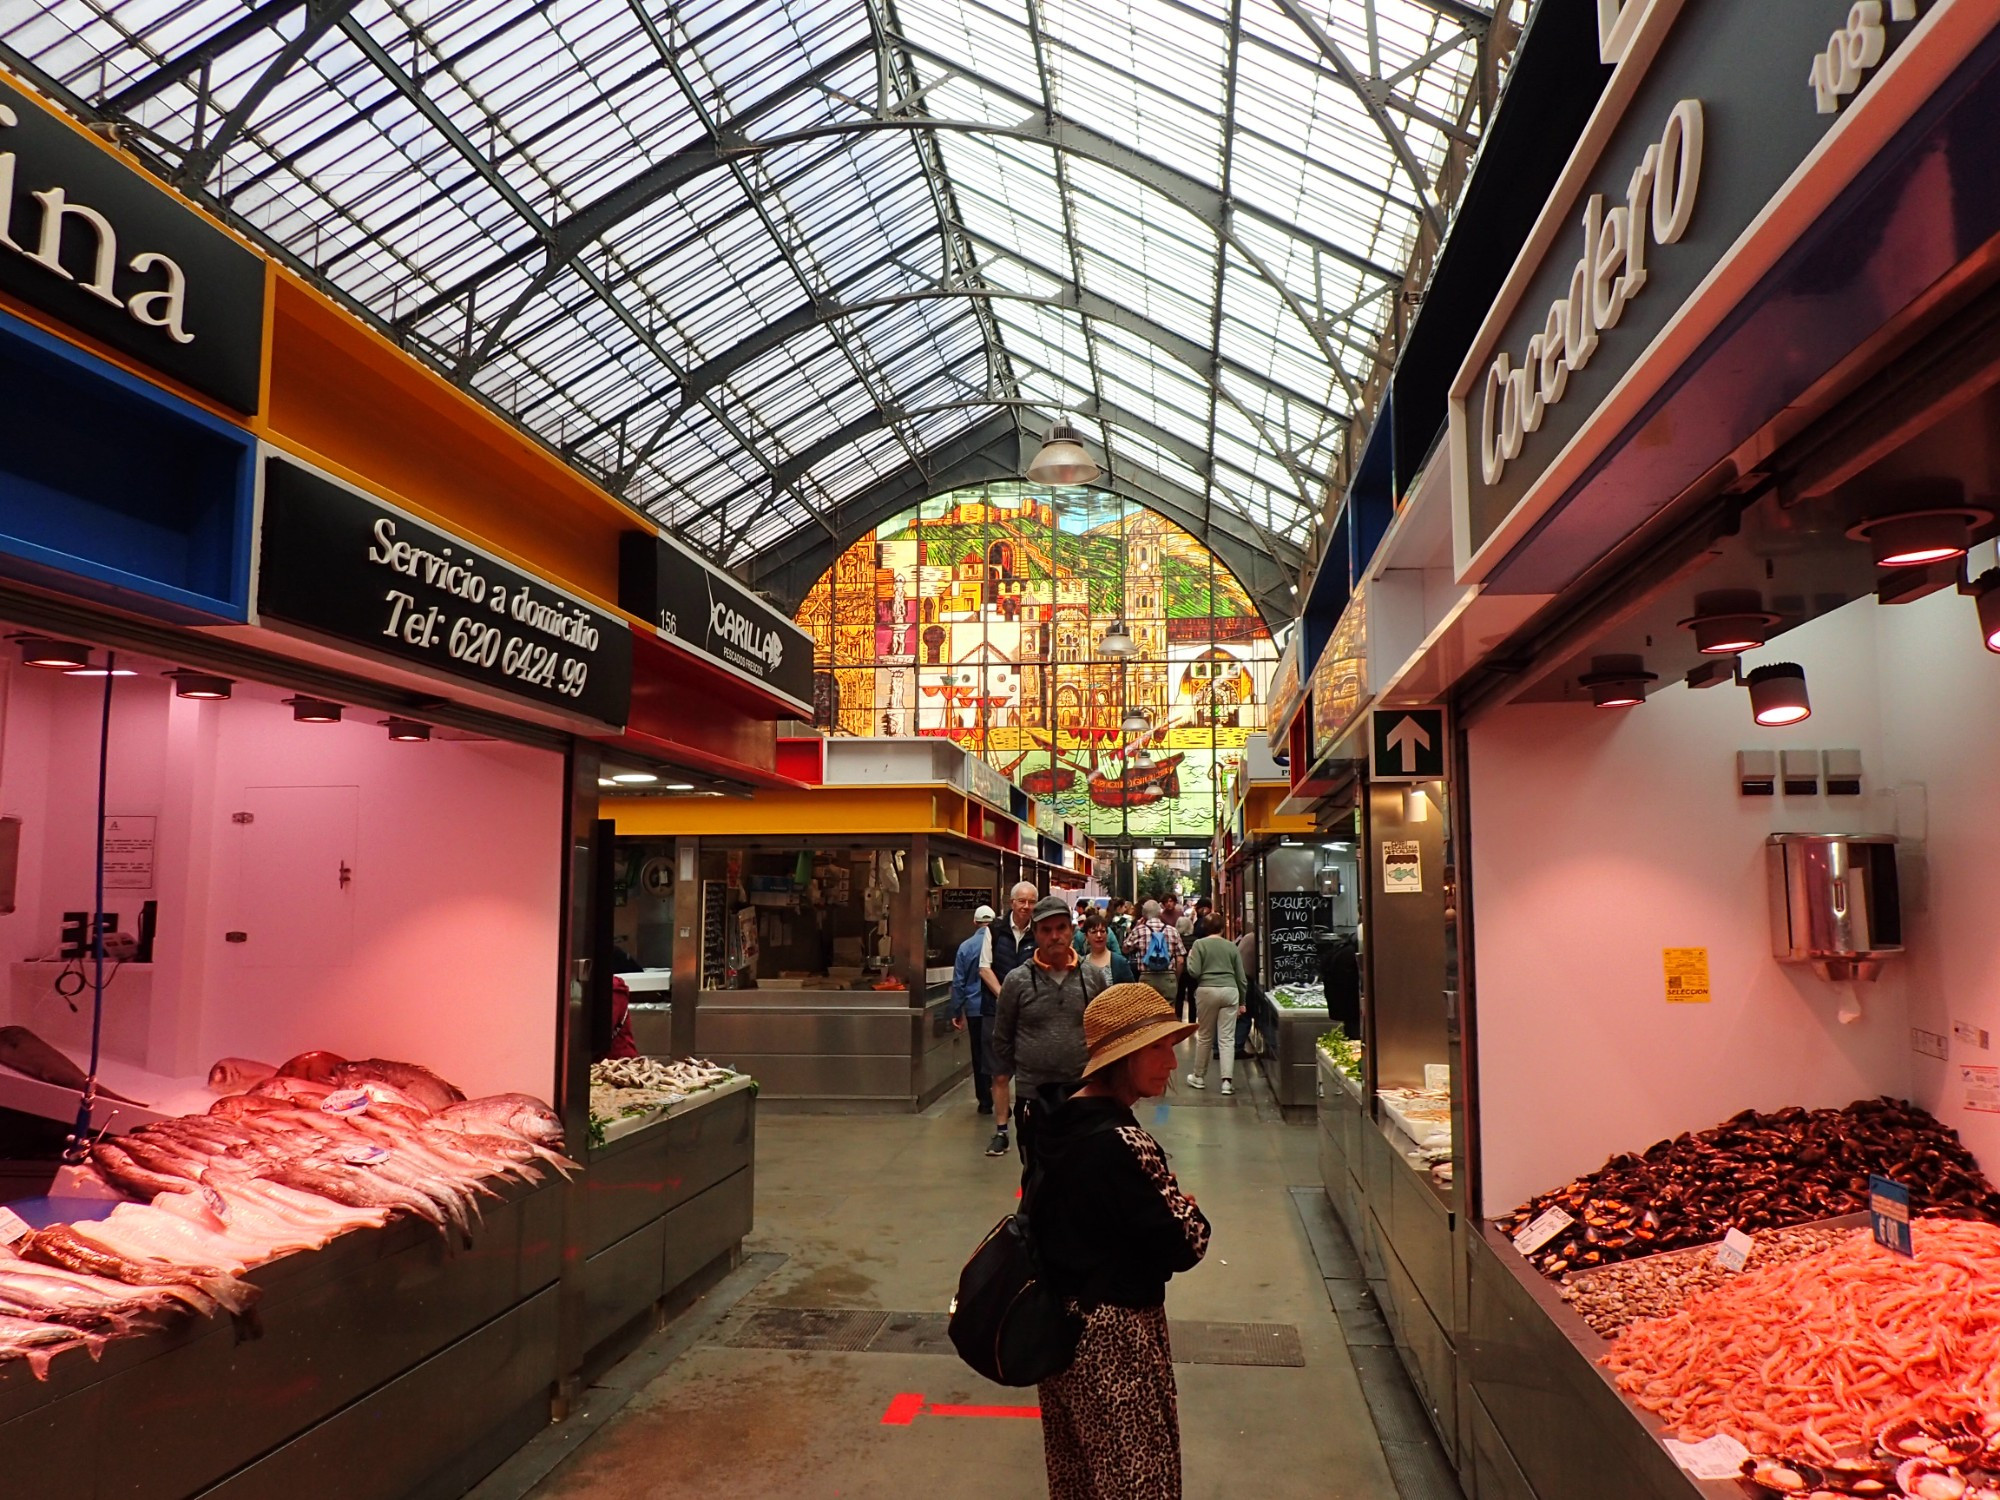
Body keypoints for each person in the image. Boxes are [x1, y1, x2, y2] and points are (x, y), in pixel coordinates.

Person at [1033, 983, 1210, 1499]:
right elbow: (1185, 1244)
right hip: (1117, 1341)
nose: (1171, 1063)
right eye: (1158, 1048)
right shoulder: (1123, 1143)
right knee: (1138, 1481)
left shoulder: (1055, 1122)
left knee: (1079, 1480)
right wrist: (1188, 1208)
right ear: (1124, 1056)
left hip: (1062, 1332)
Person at [990, 894, 1110, 1167]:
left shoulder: (1092, 976)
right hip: (1034, 1096)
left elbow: (1104, 1034)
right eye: (1046, 930)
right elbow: (1002, 1038)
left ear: (1071, 930)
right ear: (1035, 933)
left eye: (1061, 928)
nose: (1054, 936)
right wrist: (1028, 1069)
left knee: (1082, 1169)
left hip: (1082, 1094)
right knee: (1036, 1170)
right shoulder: (1017, 980)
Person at [951, 904, 1003, 1116]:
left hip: (974, 1010)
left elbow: (958, 982)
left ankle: (984, 1101)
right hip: (996, 1008)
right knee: (998, 1053)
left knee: (979, 1054)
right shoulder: (999, 944)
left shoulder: (965, 947)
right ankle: (1000, 1096)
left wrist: (956, 1010)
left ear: (975, 923)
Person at [1183, 925, 1247, 1096]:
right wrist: (1242, 1001)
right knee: (1227, 1038)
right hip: (1230, 990)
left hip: (1207, 990)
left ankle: (1199, 1076)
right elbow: (1241, 977)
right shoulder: (1231, 946)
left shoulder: (1199, 944)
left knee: (1205, 1036)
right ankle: (1226, 1082)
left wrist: (1191, 959)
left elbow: (1194, 971)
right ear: (1222, 930)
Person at [1124, 898, 1184, 1005]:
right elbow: (1180, 960)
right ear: (1159, 913)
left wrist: (1135, 928)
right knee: (1168, 1013)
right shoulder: (1172, 930)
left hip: (1147, 978)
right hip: (1168, 977)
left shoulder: (1139, 930)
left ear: (1144, 915)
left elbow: (1125, 948)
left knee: (1148, 1013)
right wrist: (1175, 978)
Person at [989, 880, 1039, 982]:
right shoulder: (994, 928)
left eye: (1031, 902)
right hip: (997, 995)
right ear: (1012, 903)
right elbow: (984, 969)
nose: (1026, 906)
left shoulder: (1039, 930)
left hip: (1028, 996)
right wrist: (1003, 995)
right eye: (1022, 901)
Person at [1079, 913, 1136, 984]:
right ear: (1086, 936)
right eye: (1094, 932)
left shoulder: (1119, 962)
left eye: (1102, 931)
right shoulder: (1082, 964)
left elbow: (1132, 991)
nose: (1099, 935)